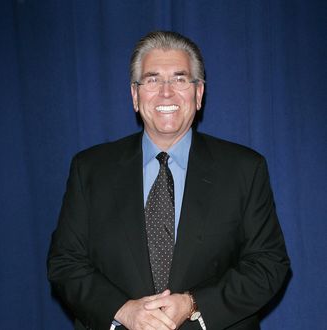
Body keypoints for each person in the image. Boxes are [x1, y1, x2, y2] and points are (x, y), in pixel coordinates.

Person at [47, 31, 290, 330]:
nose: (166, 92)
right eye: (152, 79)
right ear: (135, 96)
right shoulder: (90, 169)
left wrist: (192, 304)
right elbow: (64, 263)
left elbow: (269, 265)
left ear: (198, 94)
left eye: (179, 79)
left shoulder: (245, 169)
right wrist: (123, 311)